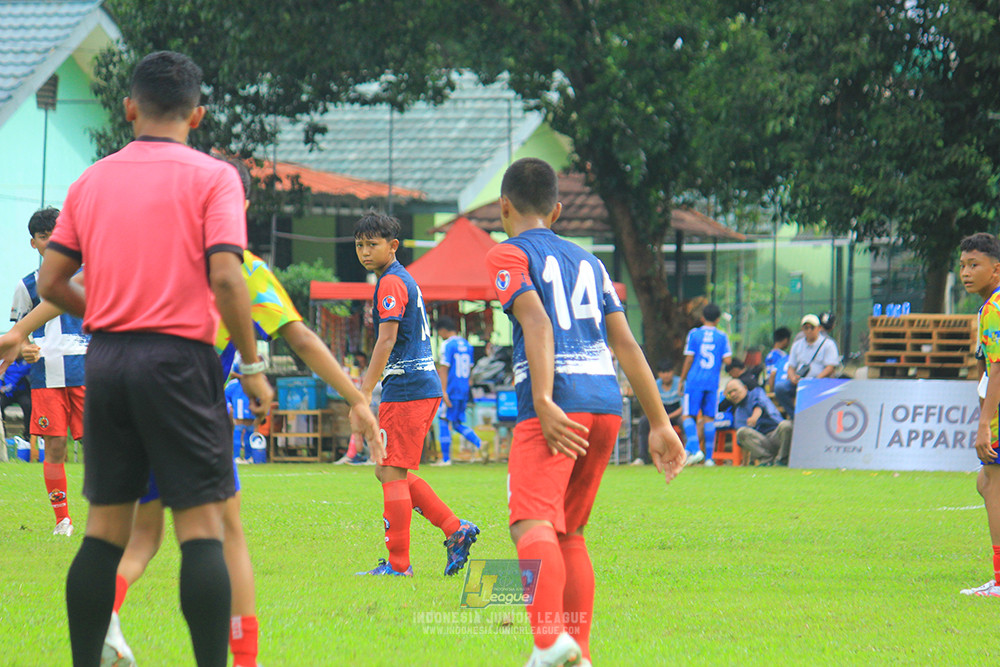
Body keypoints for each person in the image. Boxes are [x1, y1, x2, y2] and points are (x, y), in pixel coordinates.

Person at [19, 51, 276, 667]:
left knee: (104, 533)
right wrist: (251, 365)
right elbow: (227, 278)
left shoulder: (90, 182)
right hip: (181, 362)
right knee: (200, 531)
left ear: (129, 108)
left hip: (107, 361)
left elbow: (52, 281)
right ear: (198, 115)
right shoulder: (214, 178)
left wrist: (110, 311)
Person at [485, 157, 685, 667]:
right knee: (569, 530)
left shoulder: (507, 254)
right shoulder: (592, 263)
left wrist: (544, 399)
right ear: (556, 211)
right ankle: (580, 654)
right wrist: (660, 423)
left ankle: (548, 643)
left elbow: (536, 323)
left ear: (504, 207)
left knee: (529, 523)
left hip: (558, 404)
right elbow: (628, 345)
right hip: (605, 405)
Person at [354, 211, 479, 577]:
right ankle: (455, 529)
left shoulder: (391, 282)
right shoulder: (398, 279)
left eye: (372, 244)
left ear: (393, 246)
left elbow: (386, 340)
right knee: (388, 469)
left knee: (391, 471)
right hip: (416, 386)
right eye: (359, 245)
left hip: (408, 387)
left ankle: (399, 565)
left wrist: (363, 393)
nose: (365, 252)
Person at [10, 207, 90, 535]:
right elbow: (18, 334)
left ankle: (107, 517)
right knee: (55, 447)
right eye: (44, 237)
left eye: (57, 234)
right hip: (46, 376)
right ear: (34, 243)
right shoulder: (27, 285)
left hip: (87, 372)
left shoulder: (90, 276)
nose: (51, 241)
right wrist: (24, 347)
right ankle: (62, 521)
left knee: (98, 446)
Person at [958, 232, 1000, 597]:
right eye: (962, 266)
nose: (966, 273)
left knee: (991, 484)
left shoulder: (994, 309)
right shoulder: (989, 307)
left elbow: (998, 369)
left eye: (974, 265)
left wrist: (984, 423)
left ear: (996, 269)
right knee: (986, 483)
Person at [679, 303, 732, 466]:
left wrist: (682, 379)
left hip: (694, 381)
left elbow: (689, 358)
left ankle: (695, 450)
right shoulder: (722, 336)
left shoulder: (694, 334)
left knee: (688, 415)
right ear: (717, 320)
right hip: (712, 382)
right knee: (709, 418)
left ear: (702, 318)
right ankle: (709, 458)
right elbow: (728, 360)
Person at [433, 316, 482, 465]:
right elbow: (470, 370)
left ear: (443, 330)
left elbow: (444, 368)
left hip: (451, 388)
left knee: (443, 419)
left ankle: (446, 459)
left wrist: (443, 391)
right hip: (463, 389)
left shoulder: (447, 345)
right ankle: (480, 444)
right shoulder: (467, 345)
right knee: (457, 423)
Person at [776, 314, 841, 415]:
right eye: (806, 328)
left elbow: (830, 367)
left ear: (819, 328)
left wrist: (816, 380)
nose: (809, 331)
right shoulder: (797, 345)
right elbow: (791, 366)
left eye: (812, 328)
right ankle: (794, 416)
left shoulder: (828, 344)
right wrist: (793, 378)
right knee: (780, 388)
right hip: (800, 382)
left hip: (820, 382)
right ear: (802, 329)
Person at [721, 379, 791, 466]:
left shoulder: (757, 392)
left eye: (735, 390)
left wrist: (754, 417)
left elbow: (759, 405)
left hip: (776, 434)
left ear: (745, 388)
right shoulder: (738, 412)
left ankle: (782, 460)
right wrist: (744, 464)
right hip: (762, 441)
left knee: (786, 425)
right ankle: (767, 460)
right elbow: (743, 441)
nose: (733, 394)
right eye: (730, 393)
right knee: (741, 432)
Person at [632, 359, 682, 466]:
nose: (666, 375)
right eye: (663, 372)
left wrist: (668, 417)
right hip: (661, 413)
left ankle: (685, 454)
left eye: (668, 372)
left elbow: (683, 407)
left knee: (684, 421)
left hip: (676, 414)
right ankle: (642, 457)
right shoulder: (655, 385)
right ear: (659, 374)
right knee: (643, 422)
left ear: (672, 372)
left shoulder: (680, 384)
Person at [225, 362, 257, 463]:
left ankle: (249, 456)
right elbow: (225, 396)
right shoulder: (234, 384)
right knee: (238, 432)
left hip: (250, 411)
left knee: (249, 433)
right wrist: (229, 406)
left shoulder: (253, 384)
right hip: (238, 411)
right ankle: (236, 456)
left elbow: (258, 396)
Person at [0, 359, 31, 440]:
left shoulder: (27, 362)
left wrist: (10, 386)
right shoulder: (6, 361)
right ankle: (3, 435)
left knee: (28, 405)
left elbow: (21, 374)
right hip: (7, 393)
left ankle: (28, 436)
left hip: (22, 392)